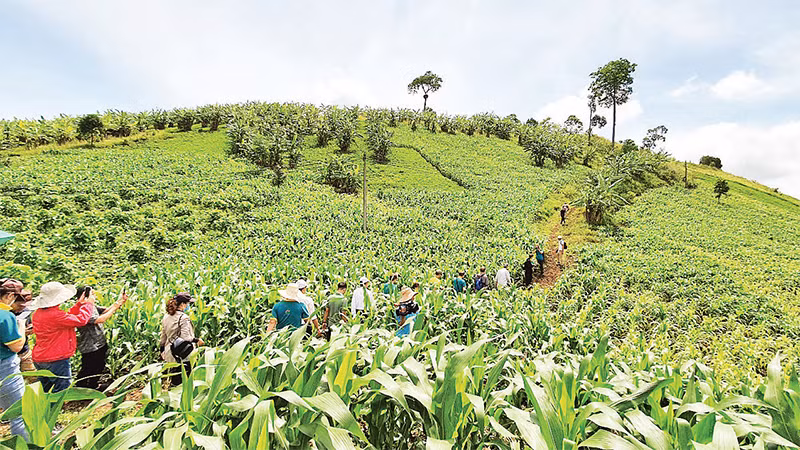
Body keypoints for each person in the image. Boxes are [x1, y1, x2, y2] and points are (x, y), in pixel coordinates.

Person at [32, 281, 94, 393]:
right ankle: (56, 409)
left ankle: (43, 409)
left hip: (40, 357)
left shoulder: (39, 313)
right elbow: (81, 320)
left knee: (44, 390)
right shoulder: (55, 315)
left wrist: (79, 305)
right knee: (61, 389)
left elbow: (66, 318)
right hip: (56, 358)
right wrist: (89, 304)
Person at [75, 286, 127, 390]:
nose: (94, 296)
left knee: (99, 364)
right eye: (92, 294)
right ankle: (83, 386)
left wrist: (120, 301)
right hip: (91, 345)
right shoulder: (81, 309)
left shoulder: (90, 306)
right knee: (89, 367)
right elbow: (101, 319)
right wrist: (115, 307)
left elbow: (105, 311)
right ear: (84, 296)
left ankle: (91, 385)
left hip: (99, 342)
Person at [0, 280, 30, 440]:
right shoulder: (5, 316)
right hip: (4, 367)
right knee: (19, 412)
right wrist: (21, 327)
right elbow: (16, 346)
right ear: (10, 295)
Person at [159, 292, 203, 386]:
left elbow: (163, 337)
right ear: (182, 304)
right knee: (184, 383)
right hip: (182, 355)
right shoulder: (184, 318)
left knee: (174, 381)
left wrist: (162, 350)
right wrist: (197, 340)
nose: (188, 306)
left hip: (170, 354)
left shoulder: (166, 316)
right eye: (188, 304)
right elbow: (186, 337)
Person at [8, 284, 36, 383]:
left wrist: (29, 330)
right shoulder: (5, 315)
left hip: (24, 352)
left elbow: (28, 324)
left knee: (34, 379)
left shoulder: (25, 311)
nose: (22, 308)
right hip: (9, 355)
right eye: (19, 305)